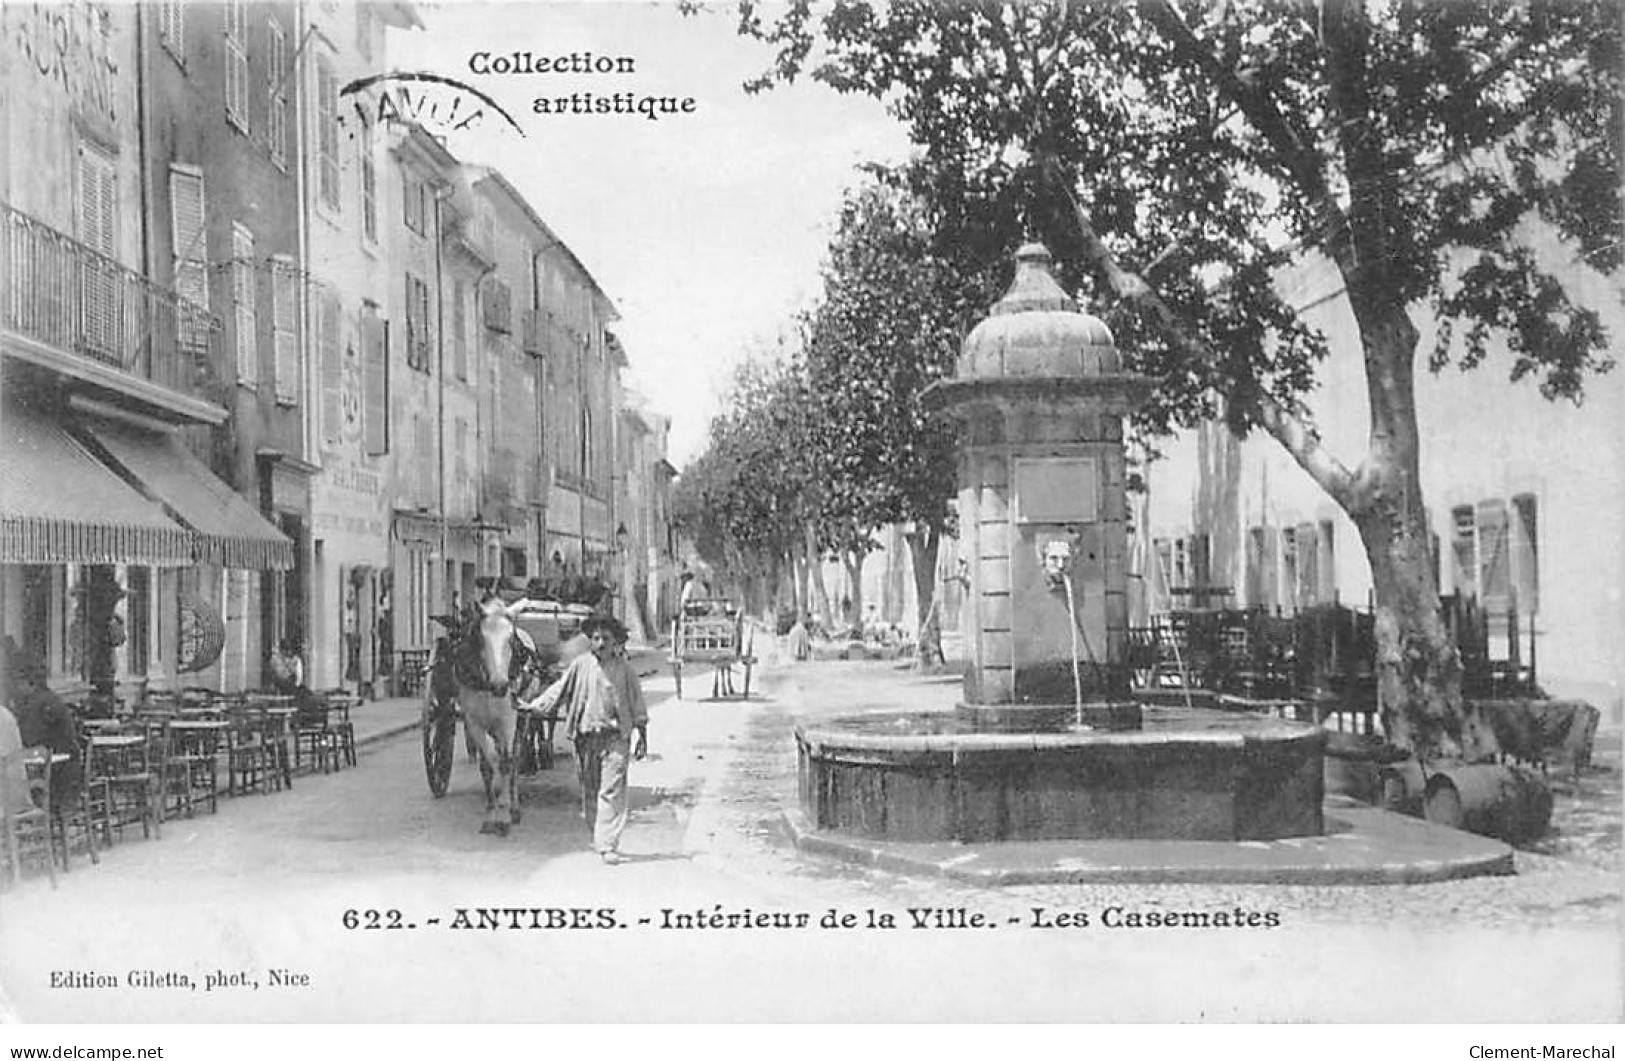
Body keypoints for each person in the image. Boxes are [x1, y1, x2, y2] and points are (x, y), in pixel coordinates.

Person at [528, 615, 648, 864]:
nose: (601, 643)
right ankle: (598, 835)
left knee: (611, 791)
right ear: (590, 641)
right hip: (585, 738)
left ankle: (607, 844)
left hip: (616, 738)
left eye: (606, 638)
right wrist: (534, 706)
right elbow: (558, 691)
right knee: (590, 790)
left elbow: (638, 705)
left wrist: (642, 736)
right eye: (596, 638)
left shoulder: (625, 671)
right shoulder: (580, 665)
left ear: (616, 642)